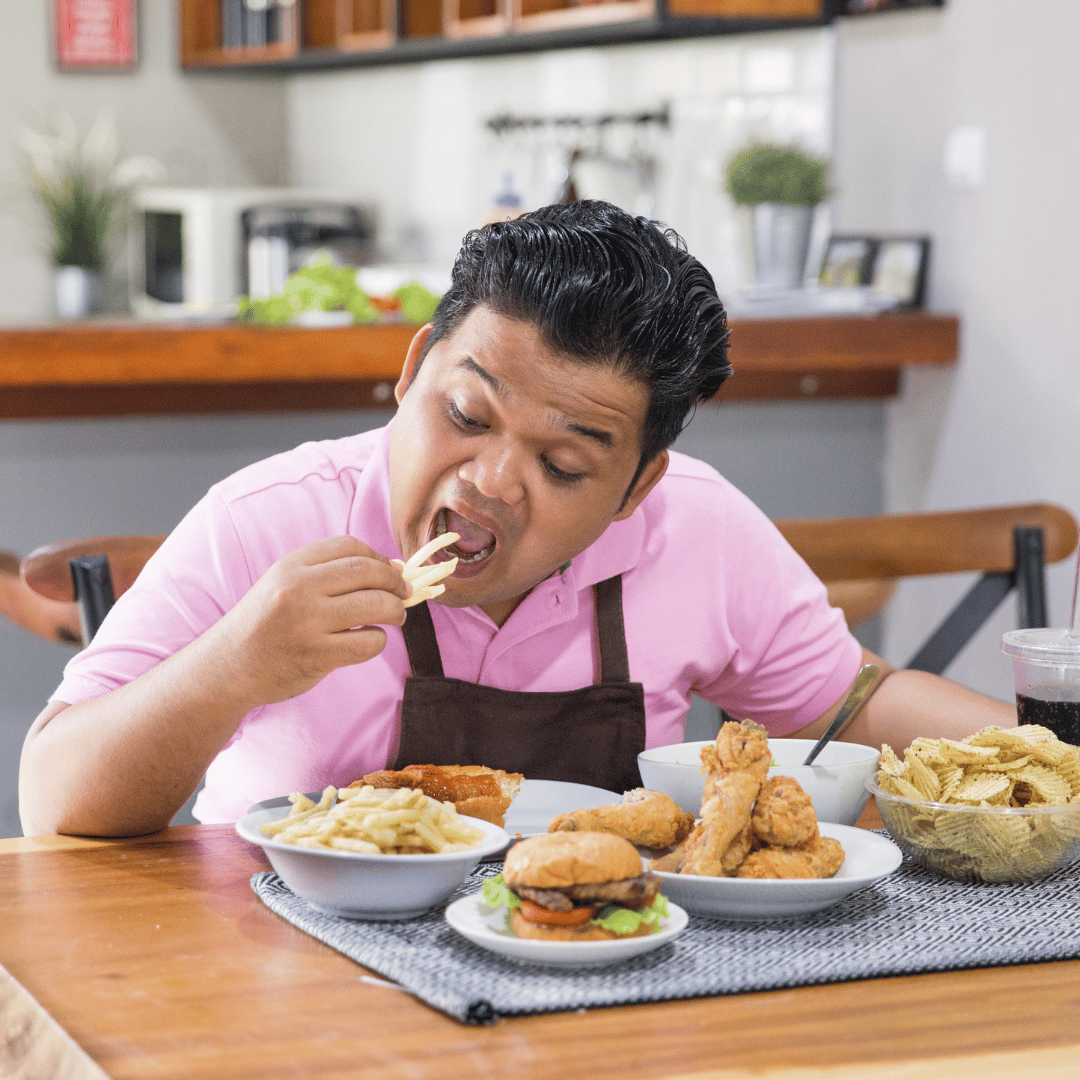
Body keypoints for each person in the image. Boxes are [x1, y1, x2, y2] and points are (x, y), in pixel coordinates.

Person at [19, 201, 1012, 837]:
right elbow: (54, 800)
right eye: (464, 414)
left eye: (564, 463)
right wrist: (234, 664)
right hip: (283, 986)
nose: (492, 480)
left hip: (614, 986)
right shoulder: (269, 522)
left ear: (638, 486)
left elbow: (859, 710)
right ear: (410, 373)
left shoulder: (697, 530)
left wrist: (1044, 752)